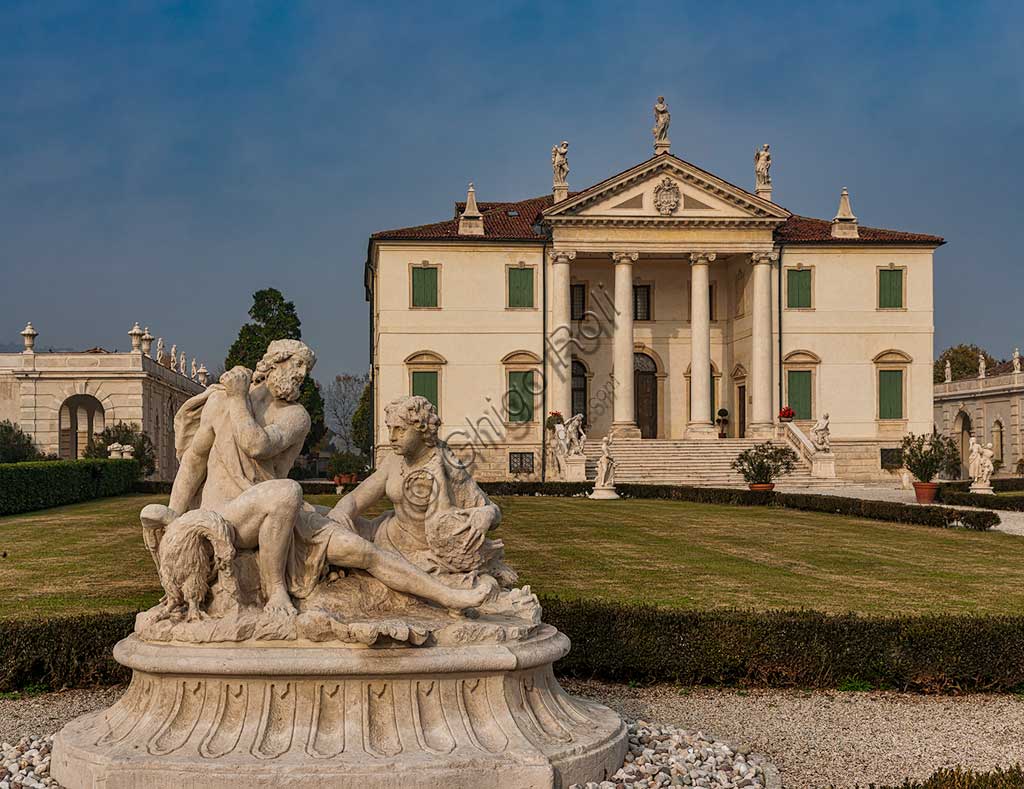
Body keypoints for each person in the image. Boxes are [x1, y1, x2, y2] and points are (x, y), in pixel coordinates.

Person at [143, 340, 490, 619]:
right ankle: (276, 588)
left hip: (279, 515)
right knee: (287, 492)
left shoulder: (296, 416)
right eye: (293, 366)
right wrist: (175, 516)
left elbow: (257, 445)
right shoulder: (222, 402)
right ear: (270, 365)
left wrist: (237, 398)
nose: (299, 376)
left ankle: (449, 597)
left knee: (360, 550)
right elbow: (193, 461)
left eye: (304, 371)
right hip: (227, 516)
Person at [331, 395, 514, 588]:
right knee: (319, 519)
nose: (392, 437)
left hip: (423, 553)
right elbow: (356, 498)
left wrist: (486, 514)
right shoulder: (394, 460)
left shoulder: (445, 463)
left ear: (422, 429)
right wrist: (339, 515)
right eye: (389, 429)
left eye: (400, 430)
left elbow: (492, 512)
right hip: (385, 535)